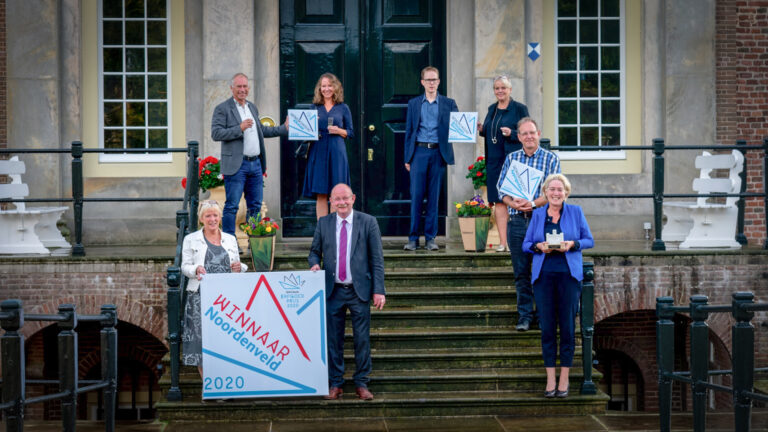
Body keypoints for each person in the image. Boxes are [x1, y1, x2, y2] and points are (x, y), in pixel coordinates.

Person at [309, 183, 386, 401]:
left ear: (353, 198)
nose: (341, 202)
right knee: (333, 339)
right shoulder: (324, 223)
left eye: (345, 198)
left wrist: (378, 290)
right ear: (331, 202)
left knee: (362, 339)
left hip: (359, 290)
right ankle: (336, 383)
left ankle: (361, 383)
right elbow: (314, 252)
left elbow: (377, 260)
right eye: (337, 199)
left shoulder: (368, 222)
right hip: (333, 290)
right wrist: (314, 264)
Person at [522, 174, 593, 398]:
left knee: (568, 328)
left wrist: (573, 244)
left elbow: (589, 240)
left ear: (566, 193)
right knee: (548, 329)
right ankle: (550, 378)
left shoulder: (576, 212)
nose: (555, 193)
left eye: (559, 189)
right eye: (551, 189)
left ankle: (564, 379)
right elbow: (525, 244)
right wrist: (538, 246)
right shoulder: (538, 214)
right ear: (545, 192)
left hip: (569, 277)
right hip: (543, 277)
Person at [497, 118, 560, 332]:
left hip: (544, 222)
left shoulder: (551, 159)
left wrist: (532, 204)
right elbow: (501, 190)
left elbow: (554, 192)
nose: (529, 137)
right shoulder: (512, 159)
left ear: (538, 133)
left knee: (544, 271)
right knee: (521, 272)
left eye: (532, 132)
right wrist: (511, 202)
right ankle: (524, 316)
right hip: (516, 222)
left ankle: (544, 317)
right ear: (519, 136)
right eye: (524, 133)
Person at [211, 72, 288, 236]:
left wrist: (284, 128)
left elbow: (262, 130)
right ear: (232, 88)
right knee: (232, 206)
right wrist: (239, 128)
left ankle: (254, 243)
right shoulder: (222, 109)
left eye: (245, 86)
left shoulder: (251, 107)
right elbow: (216, 133)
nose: (242, 90)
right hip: (237, 166)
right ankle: (230, 245)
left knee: (255, 205)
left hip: (256, 165)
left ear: (249, 88)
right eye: (239, 86)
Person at [180, 200, 247, 377]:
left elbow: (238, 265)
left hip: (226, 299)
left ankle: (224, 384)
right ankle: (208, 387)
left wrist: (240, 267)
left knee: (225, 341)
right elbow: (184, 267)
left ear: (220, 217)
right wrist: (196, 269)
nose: (212, 219)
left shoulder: (230, 239)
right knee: (201, 342)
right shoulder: (190, 239)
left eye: (215, 215)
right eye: (208, 215)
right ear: (201, 219)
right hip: (200, 297)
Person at [403, 66, 458, 251]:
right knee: (416, 196)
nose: (431, 83)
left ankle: (430, 239)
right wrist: (407, 158)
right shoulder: (414, 103)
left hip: (438, 153)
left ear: (439, 81)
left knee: (434, 198)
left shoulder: (449, 104)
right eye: (428, 80)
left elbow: (459, 127)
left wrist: (470, 126)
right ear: (422, 82)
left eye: (434, 80)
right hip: (418, 152)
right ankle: (412, 238)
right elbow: (409, 132)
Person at [478, 75, 529, 252]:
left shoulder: (519, 109)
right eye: (497, 88)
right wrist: (482, 130)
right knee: (499, 202)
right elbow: (490, 131)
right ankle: (503, 243)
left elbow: (527, 133)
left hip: (513, 161)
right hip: (493, 161)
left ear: (510, 90)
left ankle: (520, 242)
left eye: (503, 88)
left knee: (517, 200)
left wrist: (512, 134)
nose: (500, 91)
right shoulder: (492, 109)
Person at [302, 73, 354, 219]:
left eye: (329, 85)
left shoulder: (343, 108)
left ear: (335, 87)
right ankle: (322, 231)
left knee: (336, 192)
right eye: (323, 86)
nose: (326, 89)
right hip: (318, 151)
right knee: (321, 193)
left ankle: (334, 231)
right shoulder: (314, 107)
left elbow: (351, 132)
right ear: (319, 89)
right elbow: (304, 133)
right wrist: (311, 127)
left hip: (337, 151)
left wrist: (339, 130)